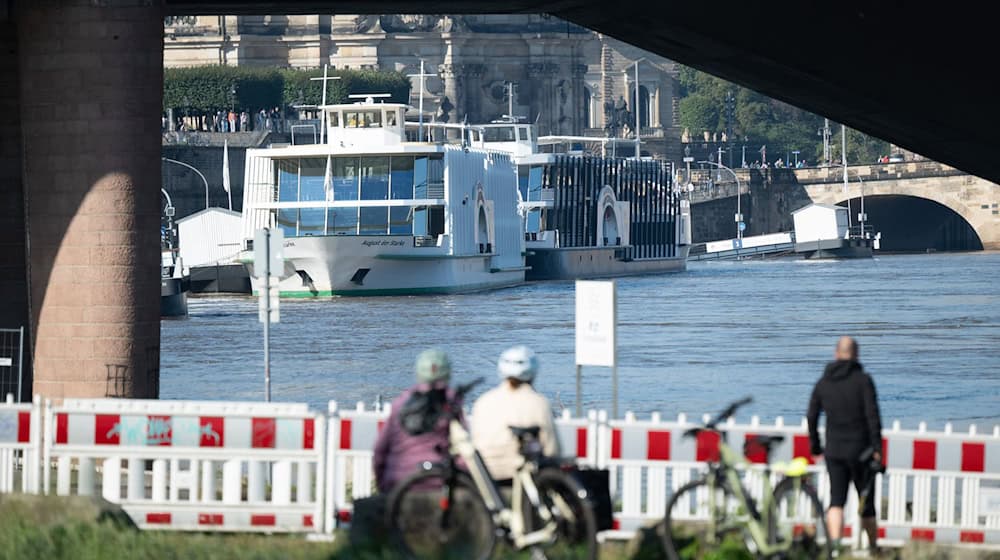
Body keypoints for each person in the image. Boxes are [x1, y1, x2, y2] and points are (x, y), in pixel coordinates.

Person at [807, 336, 883, 554]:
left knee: (836, 501)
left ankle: (835, 549)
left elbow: (811, 416)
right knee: (866, 503)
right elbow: (873, 416)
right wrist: (877, 448)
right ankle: (873, 549)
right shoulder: (863, 381)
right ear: (856, 354)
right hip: (862, 451)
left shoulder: (824, 383)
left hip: (835, 451)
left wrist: (815, 446)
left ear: (836, 353)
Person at [372, 349, 461, 493]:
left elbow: (380, 451)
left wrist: (382, 484)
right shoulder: (451, 402)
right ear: (448, 373)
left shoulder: (400, 403)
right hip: (438, 481)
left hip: (399, 483)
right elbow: (464, 448)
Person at [470, 346, 559, 482]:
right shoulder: (540, 403)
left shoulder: (482, 401)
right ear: (533, 372)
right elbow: (551, 450)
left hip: (485, 477)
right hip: (522, 477)